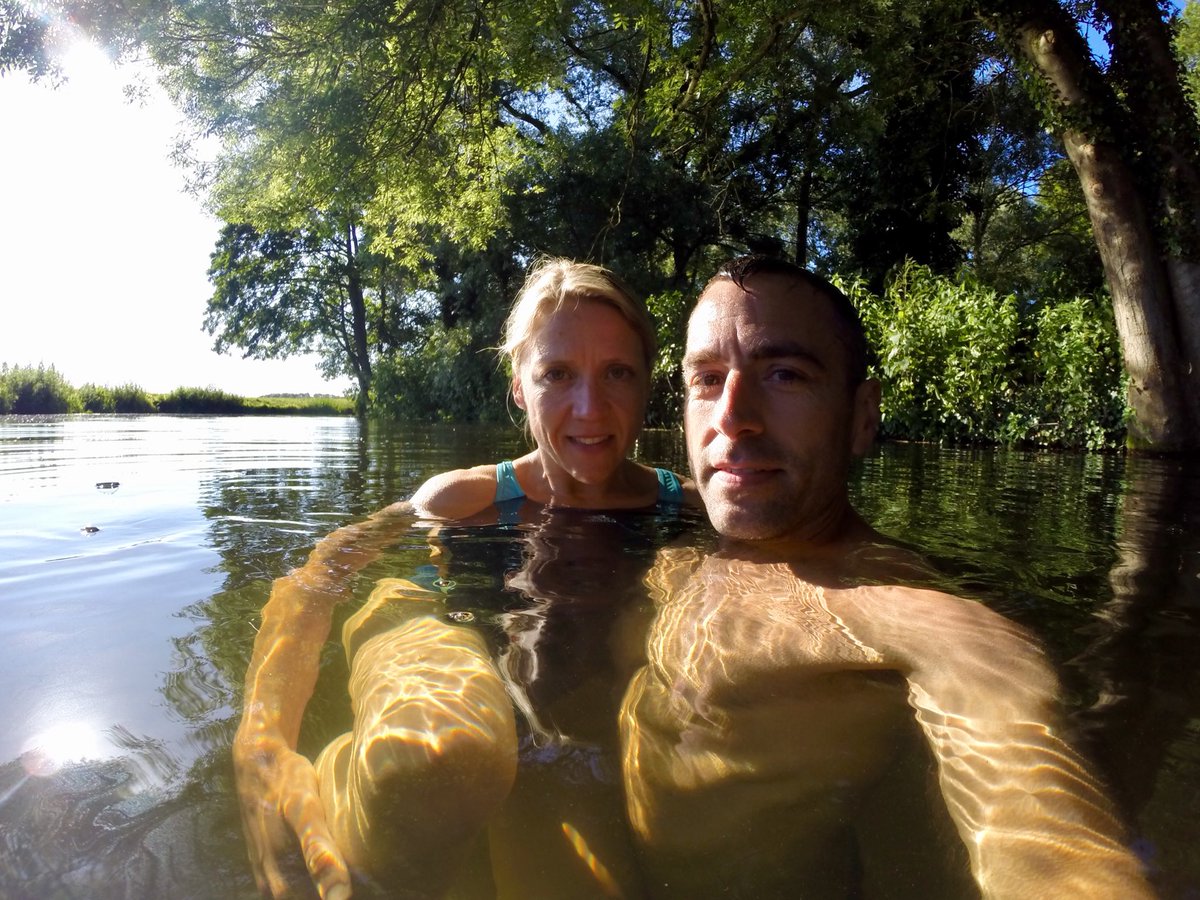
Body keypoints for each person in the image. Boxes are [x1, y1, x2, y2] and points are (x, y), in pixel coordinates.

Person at [616, 255, 1156, 898]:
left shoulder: (924, 621)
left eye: (785, 374)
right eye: (706, 378)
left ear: (863, 416)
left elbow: (1053, 850)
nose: (732, 415)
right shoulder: (675, 563)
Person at [232, 258, 696, 900]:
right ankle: (342, 772)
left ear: (648, 383)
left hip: (558, 703)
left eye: (617, 372)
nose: (590, 407)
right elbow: (319, 575)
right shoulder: (464, 497)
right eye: (557, 374)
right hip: (430, 616)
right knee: (440, 757)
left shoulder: (686, 508)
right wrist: (263, 744)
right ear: (518, 389)